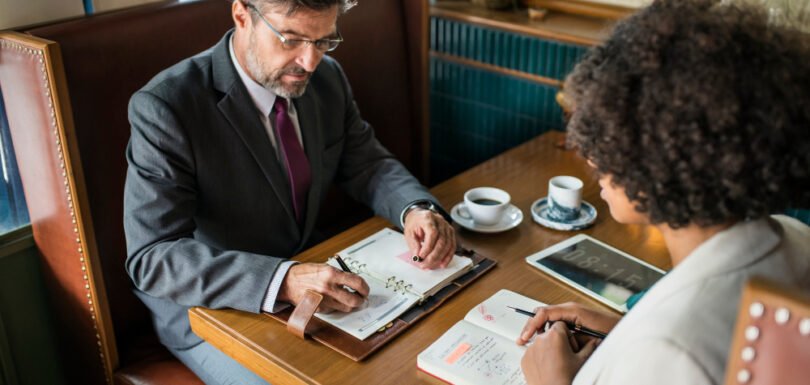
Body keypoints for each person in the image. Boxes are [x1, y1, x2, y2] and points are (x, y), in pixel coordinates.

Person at [123, 0, 456, 383]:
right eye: (291, 39)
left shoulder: (328, 79)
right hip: (212, 311)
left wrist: (415, 209)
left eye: (324, 41)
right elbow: (153, 257)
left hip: (314, 276)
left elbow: (368, 164)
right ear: (241, 15)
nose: (310, 62)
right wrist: (283, 279)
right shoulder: (167, 106)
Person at [516, 0, 810, 384]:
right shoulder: (794, 236)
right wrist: (627, 331)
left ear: (662, 156)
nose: (590, 158)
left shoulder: (669, 348)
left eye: (609, 139)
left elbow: (681, 347)